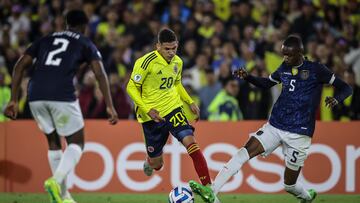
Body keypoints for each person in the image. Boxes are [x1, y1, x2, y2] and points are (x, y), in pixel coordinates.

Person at [189, 35, 353, 203]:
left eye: (289, 55)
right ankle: (212, 191)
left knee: (289, 185)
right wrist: (248, 77)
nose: (285, 58)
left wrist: (336, 99)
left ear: (299, 53)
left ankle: (306, 196)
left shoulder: (317, 69)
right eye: (284, 55)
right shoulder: (284, 67)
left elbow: (346, 88)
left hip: (300, 133)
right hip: (275, 126)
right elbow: (266, 83)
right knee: (242, 153)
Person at [4, 10, 118, 203]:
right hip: (61, 94)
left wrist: (14, 99)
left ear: (66, 24)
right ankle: (56, 181)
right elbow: (99, 73)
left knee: (54, 142)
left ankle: (62, 196)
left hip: (35, 95)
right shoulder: (84, 42)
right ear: (84, 26)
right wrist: (109, 105)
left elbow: (19, 66)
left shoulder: (44, 40)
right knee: (77, 143)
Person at [126, 28, 212, 188]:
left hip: (173, 108)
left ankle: (209, 188)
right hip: (151, 116)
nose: (171, 52)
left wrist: (189, 102)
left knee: (191, 142)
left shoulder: (178, 62)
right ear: (158, 46)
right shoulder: (145, 62)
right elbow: (131, 87)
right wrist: (147, 110)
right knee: (157, 164)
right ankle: (150, 161)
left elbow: (177, 83)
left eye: (174, 48)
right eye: (167, 49)